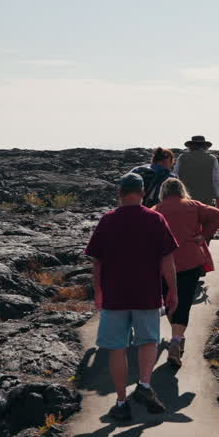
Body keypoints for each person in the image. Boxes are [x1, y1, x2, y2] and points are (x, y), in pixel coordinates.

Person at [85, 172, 179, 421]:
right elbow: (167, 260)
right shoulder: (155, 219)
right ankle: (144, 386)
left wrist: (98, 292)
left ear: (120, 193)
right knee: (148, 341)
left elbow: (97, 263)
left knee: (117, 348)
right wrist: (173, 291)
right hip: (147, 294)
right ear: (142, 192)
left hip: (115, 297)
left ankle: (121, 402)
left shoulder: (107, 221)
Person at [153, 178, 219, 369]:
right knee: (184, 302)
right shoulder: (193, 205)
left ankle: (176, 338)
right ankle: (176, 340)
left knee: (169, 300)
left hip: (164, 263)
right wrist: (204, 235)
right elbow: (217, 215)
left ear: (163, 191)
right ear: (181, 190)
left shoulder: (156, 209)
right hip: (191, 260)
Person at [173, 135, 219, 209]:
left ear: (190, 146)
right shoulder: (212, 159)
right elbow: (216, 182)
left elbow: (174, 177)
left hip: (185, 198)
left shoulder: (182, 157)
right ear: (205, 146)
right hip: (205, 200)